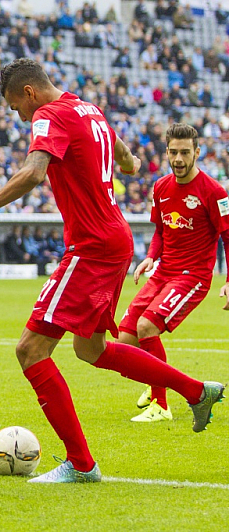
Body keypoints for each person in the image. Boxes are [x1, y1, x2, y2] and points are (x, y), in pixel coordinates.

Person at [0, 58, 224, 484]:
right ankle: (195, 391)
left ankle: (80, 464)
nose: (17, 116)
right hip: (114, 240)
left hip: (91, 246)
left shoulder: (48, 114)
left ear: (29, 93)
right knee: (89, 349)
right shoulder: (89, 109)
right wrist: (120, 166)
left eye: (13, 107)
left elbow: (34, 171)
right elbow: (128, 161)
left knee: (30, 350)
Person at [118, 123, 229, 422]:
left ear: (197, 152)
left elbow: (228, 237)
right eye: (173, 153)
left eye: (185, 153)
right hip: (163, 272)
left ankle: (161, 404)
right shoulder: (161, 187)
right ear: (166, 152)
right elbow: (160, 232)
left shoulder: (214, 192)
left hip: (192, 277)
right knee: (121, 344)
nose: (178, 159)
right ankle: (155, 380)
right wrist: (150, 258)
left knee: (146, 328)